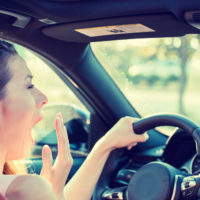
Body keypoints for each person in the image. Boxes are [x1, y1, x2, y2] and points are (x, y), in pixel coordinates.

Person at [0, 40, 149, 200]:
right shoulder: (25, 190)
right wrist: (52, 193)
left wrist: (104, 146)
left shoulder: (13, 187)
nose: (43, 98)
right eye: (29, 86)